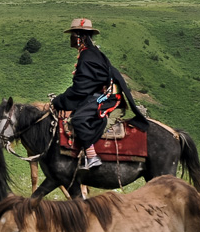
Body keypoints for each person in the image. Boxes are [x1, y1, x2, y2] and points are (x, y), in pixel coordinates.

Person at [50, 18, 147, 169]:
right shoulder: (90, 54)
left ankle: (92, 156)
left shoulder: (87, 57)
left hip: (107, 96)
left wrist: (58, 101)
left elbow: (80, 89)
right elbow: (85, 86)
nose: (69, 38)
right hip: (99, 93)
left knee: (79, 119)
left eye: (71, 35)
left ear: (78, 37)